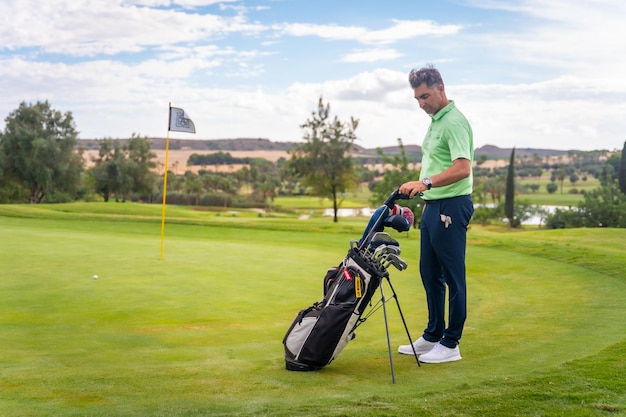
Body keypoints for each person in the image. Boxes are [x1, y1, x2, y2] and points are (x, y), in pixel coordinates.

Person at [397, 64, 474, 363]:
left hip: (451, 207)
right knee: (429, 273)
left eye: (425, 96)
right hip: (433, 206)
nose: (421, 104)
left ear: (441, 89)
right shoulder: (436, 120)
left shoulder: (454, 121)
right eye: (417, 98)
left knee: (454, 277)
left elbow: (462, 167)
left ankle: (451, 344)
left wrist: (425, 183)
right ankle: (432, 335)